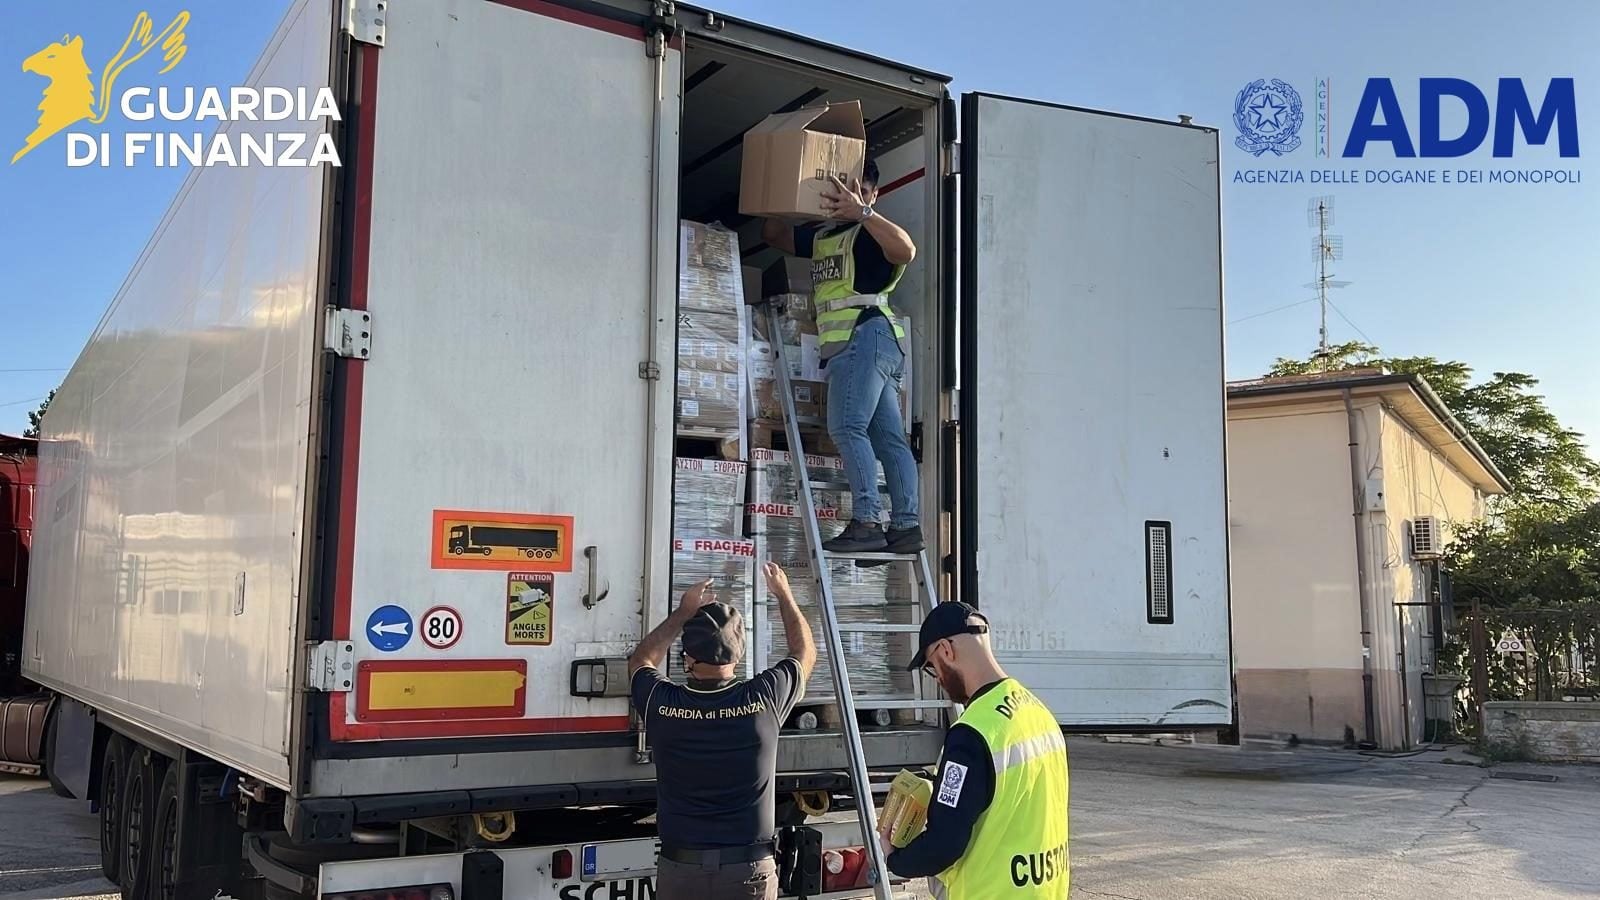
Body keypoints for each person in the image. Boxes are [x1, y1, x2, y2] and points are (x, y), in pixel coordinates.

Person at [628, 563, 817, 900]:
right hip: (747, 872)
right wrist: (784, 595)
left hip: (680, 871)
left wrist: (682, 613)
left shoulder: (663, 703)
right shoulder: (764, 698)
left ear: (687, 658)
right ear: (740, 653)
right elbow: (804, 653)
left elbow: (641, 661)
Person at [762, 159, 921, 555]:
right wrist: (788, 191)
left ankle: (867, 521)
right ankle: (905, 527)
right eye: (843, 190)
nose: (849, 198)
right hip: (864, 345)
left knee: (848, 428)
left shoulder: (870, 233)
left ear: (872, 193)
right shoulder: (826, 236)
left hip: (865, 337)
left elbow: (906, 249)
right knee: (888, 439)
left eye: (859, 191)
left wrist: (864, 213)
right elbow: (774, 233)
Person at [884, 602, 1070, 899]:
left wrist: (895, 858)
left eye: (932, 668)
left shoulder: (972, 733)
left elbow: (944, 844)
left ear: (946, 650)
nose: (939, 679)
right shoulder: (1039, 712)